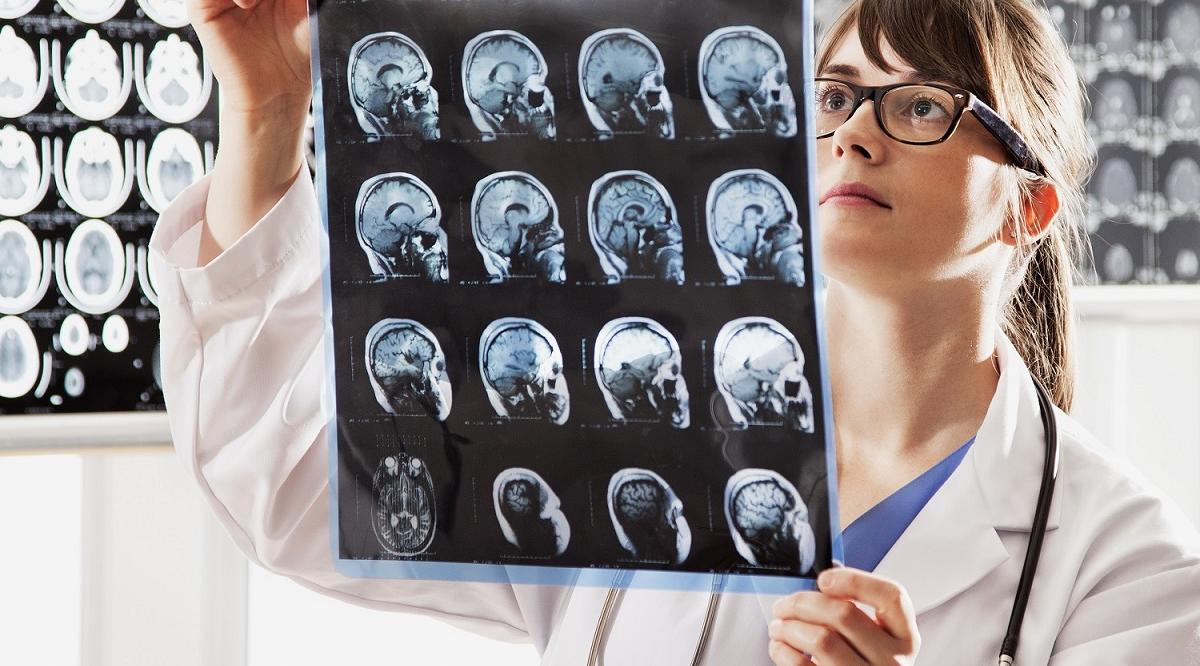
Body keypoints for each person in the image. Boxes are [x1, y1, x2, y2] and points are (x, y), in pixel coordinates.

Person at [153, 0, 1200, 663]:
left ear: (1030, 206)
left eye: (922, 105)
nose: (856, 136)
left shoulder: (1123, 570)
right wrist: (265, 113)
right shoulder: (632, 424)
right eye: (834, 98)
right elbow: (298, 493)